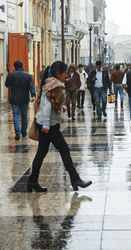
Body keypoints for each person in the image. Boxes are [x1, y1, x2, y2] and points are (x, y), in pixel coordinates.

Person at [28, 61, 92, 193]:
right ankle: (75, 179)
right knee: (64, 150)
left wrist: (59, 107)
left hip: (46, 123)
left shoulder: (49, 82)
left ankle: (32, 181)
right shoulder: (55, 86)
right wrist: (46, 125)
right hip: (49, 125)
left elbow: (50, 103)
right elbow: (46, 106)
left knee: (41, 153)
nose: (66, 75)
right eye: (64, 73)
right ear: (58, 74)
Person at [4, 60, 36, 140]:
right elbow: (31, 87)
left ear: (14, 67)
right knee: (24, 116)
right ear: (23, 66)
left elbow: (7, 84)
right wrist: (33, 95)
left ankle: (17, 132)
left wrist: (11, 75)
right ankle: (24, 132)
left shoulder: (11, 75)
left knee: (16, 116)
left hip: (14, 99)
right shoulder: (28, 76)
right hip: (24, 99)